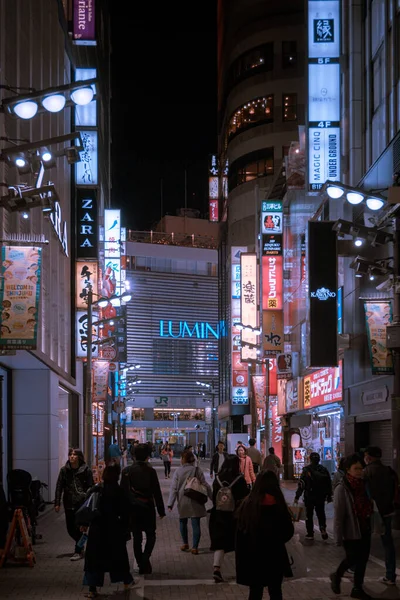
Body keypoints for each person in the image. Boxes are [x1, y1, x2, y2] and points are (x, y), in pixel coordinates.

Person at [235, 470, 294, 600]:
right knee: (275, 591)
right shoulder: (278, 504)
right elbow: (288, 531)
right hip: (275, 556)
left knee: (255, 592)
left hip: (253, 556)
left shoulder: (248, 504)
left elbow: (241, 533)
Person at [82, 464, 134, 598]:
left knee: (94, 560)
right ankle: (126, 582)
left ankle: (92, 589)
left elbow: (88, 508)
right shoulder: (120, 491)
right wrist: (125, 528)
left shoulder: (97, 489)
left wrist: (85, 524)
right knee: (119, 557)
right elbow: (126, 512)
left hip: (97, 530)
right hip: (114, 529)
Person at [330, 454, 373, 600]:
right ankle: (337, 575)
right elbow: (338, 516)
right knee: (352, 558)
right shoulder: (342, 489)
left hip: (365, 527)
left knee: (363, 560)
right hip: (350, 531)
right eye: (356, 469)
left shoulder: (364, 485)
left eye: (361, 468)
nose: (359, 471)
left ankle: (357, 588)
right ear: (348, 469)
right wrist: (338, 537)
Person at [121, 443, 165, 574]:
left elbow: (123, 493)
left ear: (133, 455)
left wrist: (122, 512)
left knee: (137, 537)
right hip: (148, 507)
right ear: (147, 456)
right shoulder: (150, 471)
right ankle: (145, 560)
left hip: (133, 509)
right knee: (151, 535)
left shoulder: (126, 471)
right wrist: (161, 510)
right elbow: (156, 491)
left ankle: (141, 562)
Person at [209, 454, 249, 582]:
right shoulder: (239, 479)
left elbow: (214, 496)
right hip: (235, 516)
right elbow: (245, 498)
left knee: (219, 544)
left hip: (219, 514)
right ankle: (241, 571)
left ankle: (216, 569)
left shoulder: (217, 479)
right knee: (239, 543)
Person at [364, 446, 398, 586]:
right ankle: (390, 575)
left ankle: (356, 569)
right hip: (388, 511)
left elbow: (364, 493)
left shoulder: (366, 472)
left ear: (369, 457)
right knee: (388, 543)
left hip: (371, 512)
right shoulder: (389, 471)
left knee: (364, 541)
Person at [167, 450, 211, 554]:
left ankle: (185, 543)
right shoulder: (197, 470)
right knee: (196, 524)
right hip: (196, 499)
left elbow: (174, 488)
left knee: (183, 521)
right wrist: (212, 497)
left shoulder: (178, 471)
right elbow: (205, 485)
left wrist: (170, 503)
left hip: (183, 500)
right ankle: (195, 547)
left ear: (183, 459)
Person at [54, 448, 93, 561]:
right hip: (68, 502)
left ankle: (78, 550)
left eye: (74, 455)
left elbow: (91, 487)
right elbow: (59, 487)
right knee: (70, 528)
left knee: (79, 527)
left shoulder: (86, 470)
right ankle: (82, 541)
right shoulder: (64, 470)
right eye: (70, 454)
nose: (72, 456)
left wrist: (88, 500)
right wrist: (57, 503)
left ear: (79, 457)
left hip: (81, 503)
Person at [294, 451, 332, 541]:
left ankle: (310, 533)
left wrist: (297, 496)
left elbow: (302, 485)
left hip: (309, 495)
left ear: (310, 459)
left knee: (309, 515)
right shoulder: (324, 469)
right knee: (321, 513)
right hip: (320, 496)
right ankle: (322, 528)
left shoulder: (306, 470)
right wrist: (329, 495)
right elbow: (328, 483)